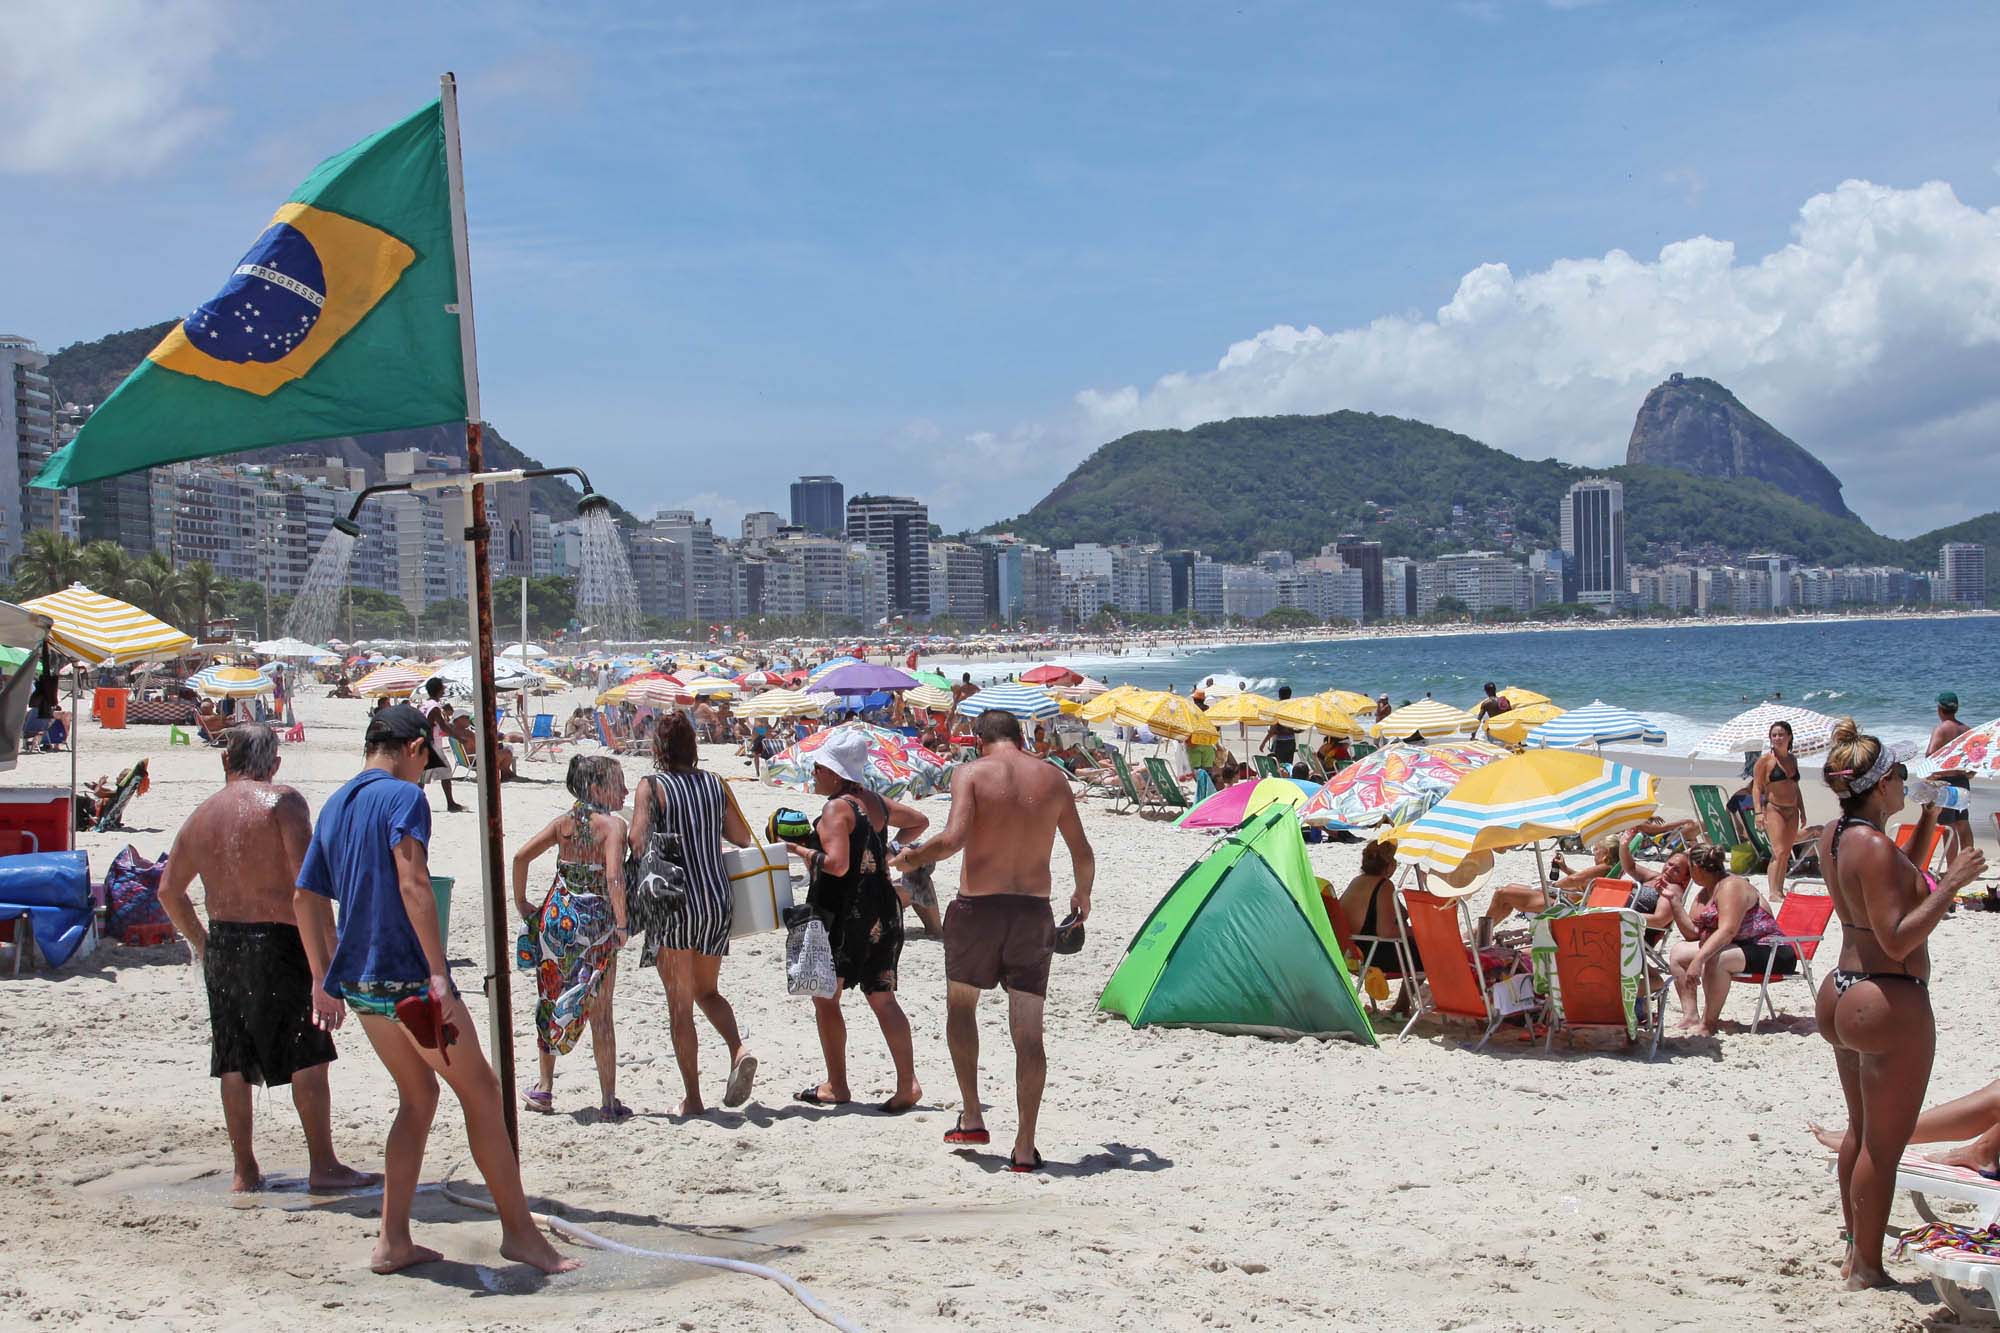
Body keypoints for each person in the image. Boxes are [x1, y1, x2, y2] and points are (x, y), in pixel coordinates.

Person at [293, 703, 578, 1276]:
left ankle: (393, 1240)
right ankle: (520, 1235)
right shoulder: (404, 798)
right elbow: (413, 881)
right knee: (482, 1093)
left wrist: (322, 979)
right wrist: (439, 972)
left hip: (361, 982)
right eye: (430, 762)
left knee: (418, 1098)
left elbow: (305, 898)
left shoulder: (334, 804)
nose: (427, 775)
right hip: (407, 978)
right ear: (417, 749)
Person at [155, 724, 377, 1195]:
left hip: (226, 944)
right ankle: (323, 1164)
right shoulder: (283, 803)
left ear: (225, 762)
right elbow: (308, 888)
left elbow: (169, 892)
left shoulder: (200, 817)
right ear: (275, 763)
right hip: (281, 941)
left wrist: (201, 942)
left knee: (232, 1060)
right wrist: (327, 966)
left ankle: (245, 1169)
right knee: (309, 1057)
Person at [1814, 718, 1982, 1289]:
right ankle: (1865, 1268)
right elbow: (1898, 936)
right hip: (1886, 996)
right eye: (1903, 776)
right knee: (1883, 1147)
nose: (1907, 784)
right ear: (1881, 784)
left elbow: (1890, 877)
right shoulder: (1874, 845)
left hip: (1840, 988)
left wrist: (1929, 819)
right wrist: (1953, 882)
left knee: (1861, 1132)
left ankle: (1851, 1244)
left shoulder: (1837, 835)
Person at [893, 709, 1094, 1172]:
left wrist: (912, 857)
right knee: (1028, 1033)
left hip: (977, 911)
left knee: (962, 1007)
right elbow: (1082, 852)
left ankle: (973, 1113)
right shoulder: (1052, 778)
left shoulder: (970, 772)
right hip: (1030, 914)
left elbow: (954, 838)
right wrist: (1082, 895)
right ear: (1020, 737)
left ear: (980, 739)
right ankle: (1025, 1146)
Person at [788, 728, 929, 1113]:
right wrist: (888, 853)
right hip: (883, 904)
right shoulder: (874, 803)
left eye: (819, 768)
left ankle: (836, 1084)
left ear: (835, 773)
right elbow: (919, 820)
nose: (814, 774)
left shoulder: (837, 808)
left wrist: (798, 849)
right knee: (882, 997)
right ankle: (907, 1084)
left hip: (845, 911)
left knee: (825, 997)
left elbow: (836, 865)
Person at [631, 712, 759, 1116]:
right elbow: (740, 837)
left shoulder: (652, 787)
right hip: (715, 899)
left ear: (658, 749)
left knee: (680, 1007)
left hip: (673, 903)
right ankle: (738, 1049)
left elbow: (636, 840)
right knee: (708, 992)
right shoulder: (714, 784)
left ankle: (694, 1098)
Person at [512, 755, 631, 1120]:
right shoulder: (612, 826)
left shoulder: (562, 824)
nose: (625, 790)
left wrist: (522, 904)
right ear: (596, 789)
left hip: (556, 919)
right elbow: (613, 878)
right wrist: (623, 924)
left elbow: (520, 858)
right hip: (595, 926)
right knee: (602, 1013)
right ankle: (608, 1100)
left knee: (549, 998)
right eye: (618, 783)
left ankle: (545, 1089)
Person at [1663, 844, 1791, 1035]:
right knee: (1679, 952)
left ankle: (1708, 1023)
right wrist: (1674, 901)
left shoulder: (1732, 886)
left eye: (1689, 870)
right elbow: (1693, 935)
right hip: (1738, 948)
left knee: (1717, 957)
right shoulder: (1707, 890)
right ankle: (1690, 1015)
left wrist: (1699, 960)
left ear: (1697, 868)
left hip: (1771, 950)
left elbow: (1728, 931)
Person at [1752, 720, 1806, 907]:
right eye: (1774, 735)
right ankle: (1773, 891)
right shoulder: (1765, 761)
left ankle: (1780, 889)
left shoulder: (1793, 759)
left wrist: (1802, 809)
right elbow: (1757, 788)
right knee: (1778, 851)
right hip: (1774, 809)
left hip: (1792, 810)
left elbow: (1795, 787)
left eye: (1781, 734)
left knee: (1786, 852)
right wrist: (1758, 813)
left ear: (1789, 737)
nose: (1777, 738)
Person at [1928, 691, 1973, 863]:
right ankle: (1968, 862)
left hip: (1945, 782)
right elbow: (1974, 758)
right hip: (1962, 780)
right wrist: (1968, 773)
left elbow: (1931, 755)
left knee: (1948, 826)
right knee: (1962, 821)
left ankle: (1953, 865)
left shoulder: (1940, 729)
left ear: (1940, 709)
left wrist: (1932, 775)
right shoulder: (1967, 730)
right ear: (1956, 708)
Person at [416, 678, 468, 813]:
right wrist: (459, 738)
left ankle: (448, 803)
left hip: (427, 744)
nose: (444, 689)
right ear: (439, 690)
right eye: (442, 688)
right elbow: (443, 726)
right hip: (432, 745)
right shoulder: (434, 707)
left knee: (426, 776)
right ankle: (449, 803)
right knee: (442, 773)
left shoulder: (425, 705)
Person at [1261, 686, 1299, 770]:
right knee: (1288, 768)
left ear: (1279, 695)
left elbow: (1272, 731)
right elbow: (1299, 728)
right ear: (1290, 695)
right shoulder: (1293, 709)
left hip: (1280, 743)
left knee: (1279, 768)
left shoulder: (1277, 708)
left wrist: (1263, 743)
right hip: (1291, 742)